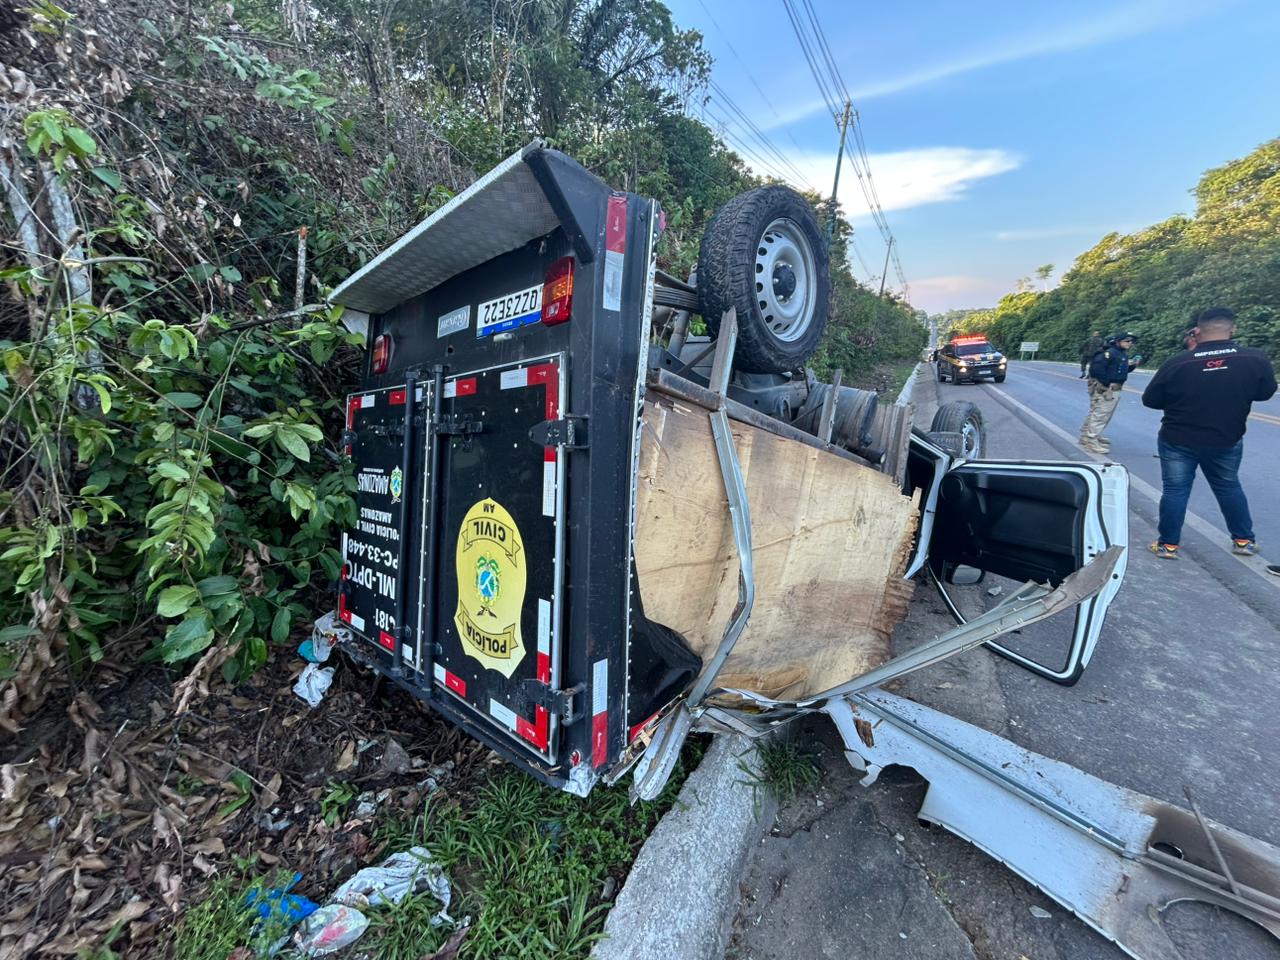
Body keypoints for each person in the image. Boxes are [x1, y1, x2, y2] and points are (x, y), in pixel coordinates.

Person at [1141, 307, 1277, 559]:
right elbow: (1265, 392)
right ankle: (1243, 541)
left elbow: (1151, 400)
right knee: (1228, 486)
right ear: (1232, 329)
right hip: (1226, 438)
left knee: (1175, 490)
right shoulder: (1255, 359)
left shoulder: (1179, 362)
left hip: (1177, 439)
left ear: (1198, 331)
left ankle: (1168, 545)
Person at [1078, 332, 1139, 453]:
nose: (1130, 343)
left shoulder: (1120, 354)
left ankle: (1087, 436)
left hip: (1112, 387)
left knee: (1097, 412)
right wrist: (1106, 385)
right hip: (1107, 389)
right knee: (1100, 414)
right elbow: (1096, 370)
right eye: (1127, 341)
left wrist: (1133, 366)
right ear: (1118, 341)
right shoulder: (1109, 353)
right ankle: (1091, 441)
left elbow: (1119, 370)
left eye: (1131, 341)